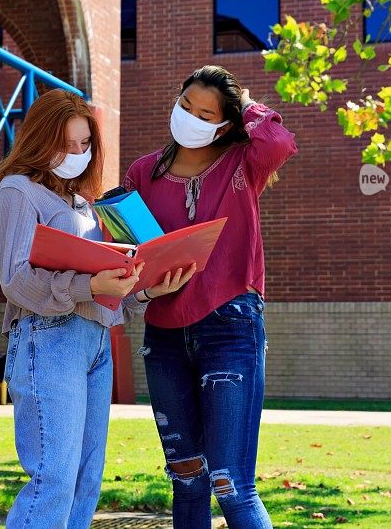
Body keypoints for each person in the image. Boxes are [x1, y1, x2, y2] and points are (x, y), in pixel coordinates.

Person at [0, 89, 194, 529]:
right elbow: (17, 280)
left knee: (85, 479)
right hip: (49, 338)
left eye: (85, 144)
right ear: (41, 139)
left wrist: (145, 290)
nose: (78, 153)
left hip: (96, 340)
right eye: (68, 143)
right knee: (54, 478)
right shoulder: (17, 192)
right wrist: (88, 283)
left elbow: (104, 287)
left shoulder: (83, 204)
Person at [123, 65, 298, 529]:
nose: (191, 117)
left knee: (232, 484)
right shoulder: (143, 171)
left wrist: (247, 107)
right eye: (186, 106)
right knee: (187, 479)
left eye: (206, 113)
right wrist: (143, 285)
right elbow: (129, 252)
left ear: (225, 123)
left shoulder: (243, 162)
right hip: (163, 336)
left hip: (230, 327)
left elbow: (279, 143)